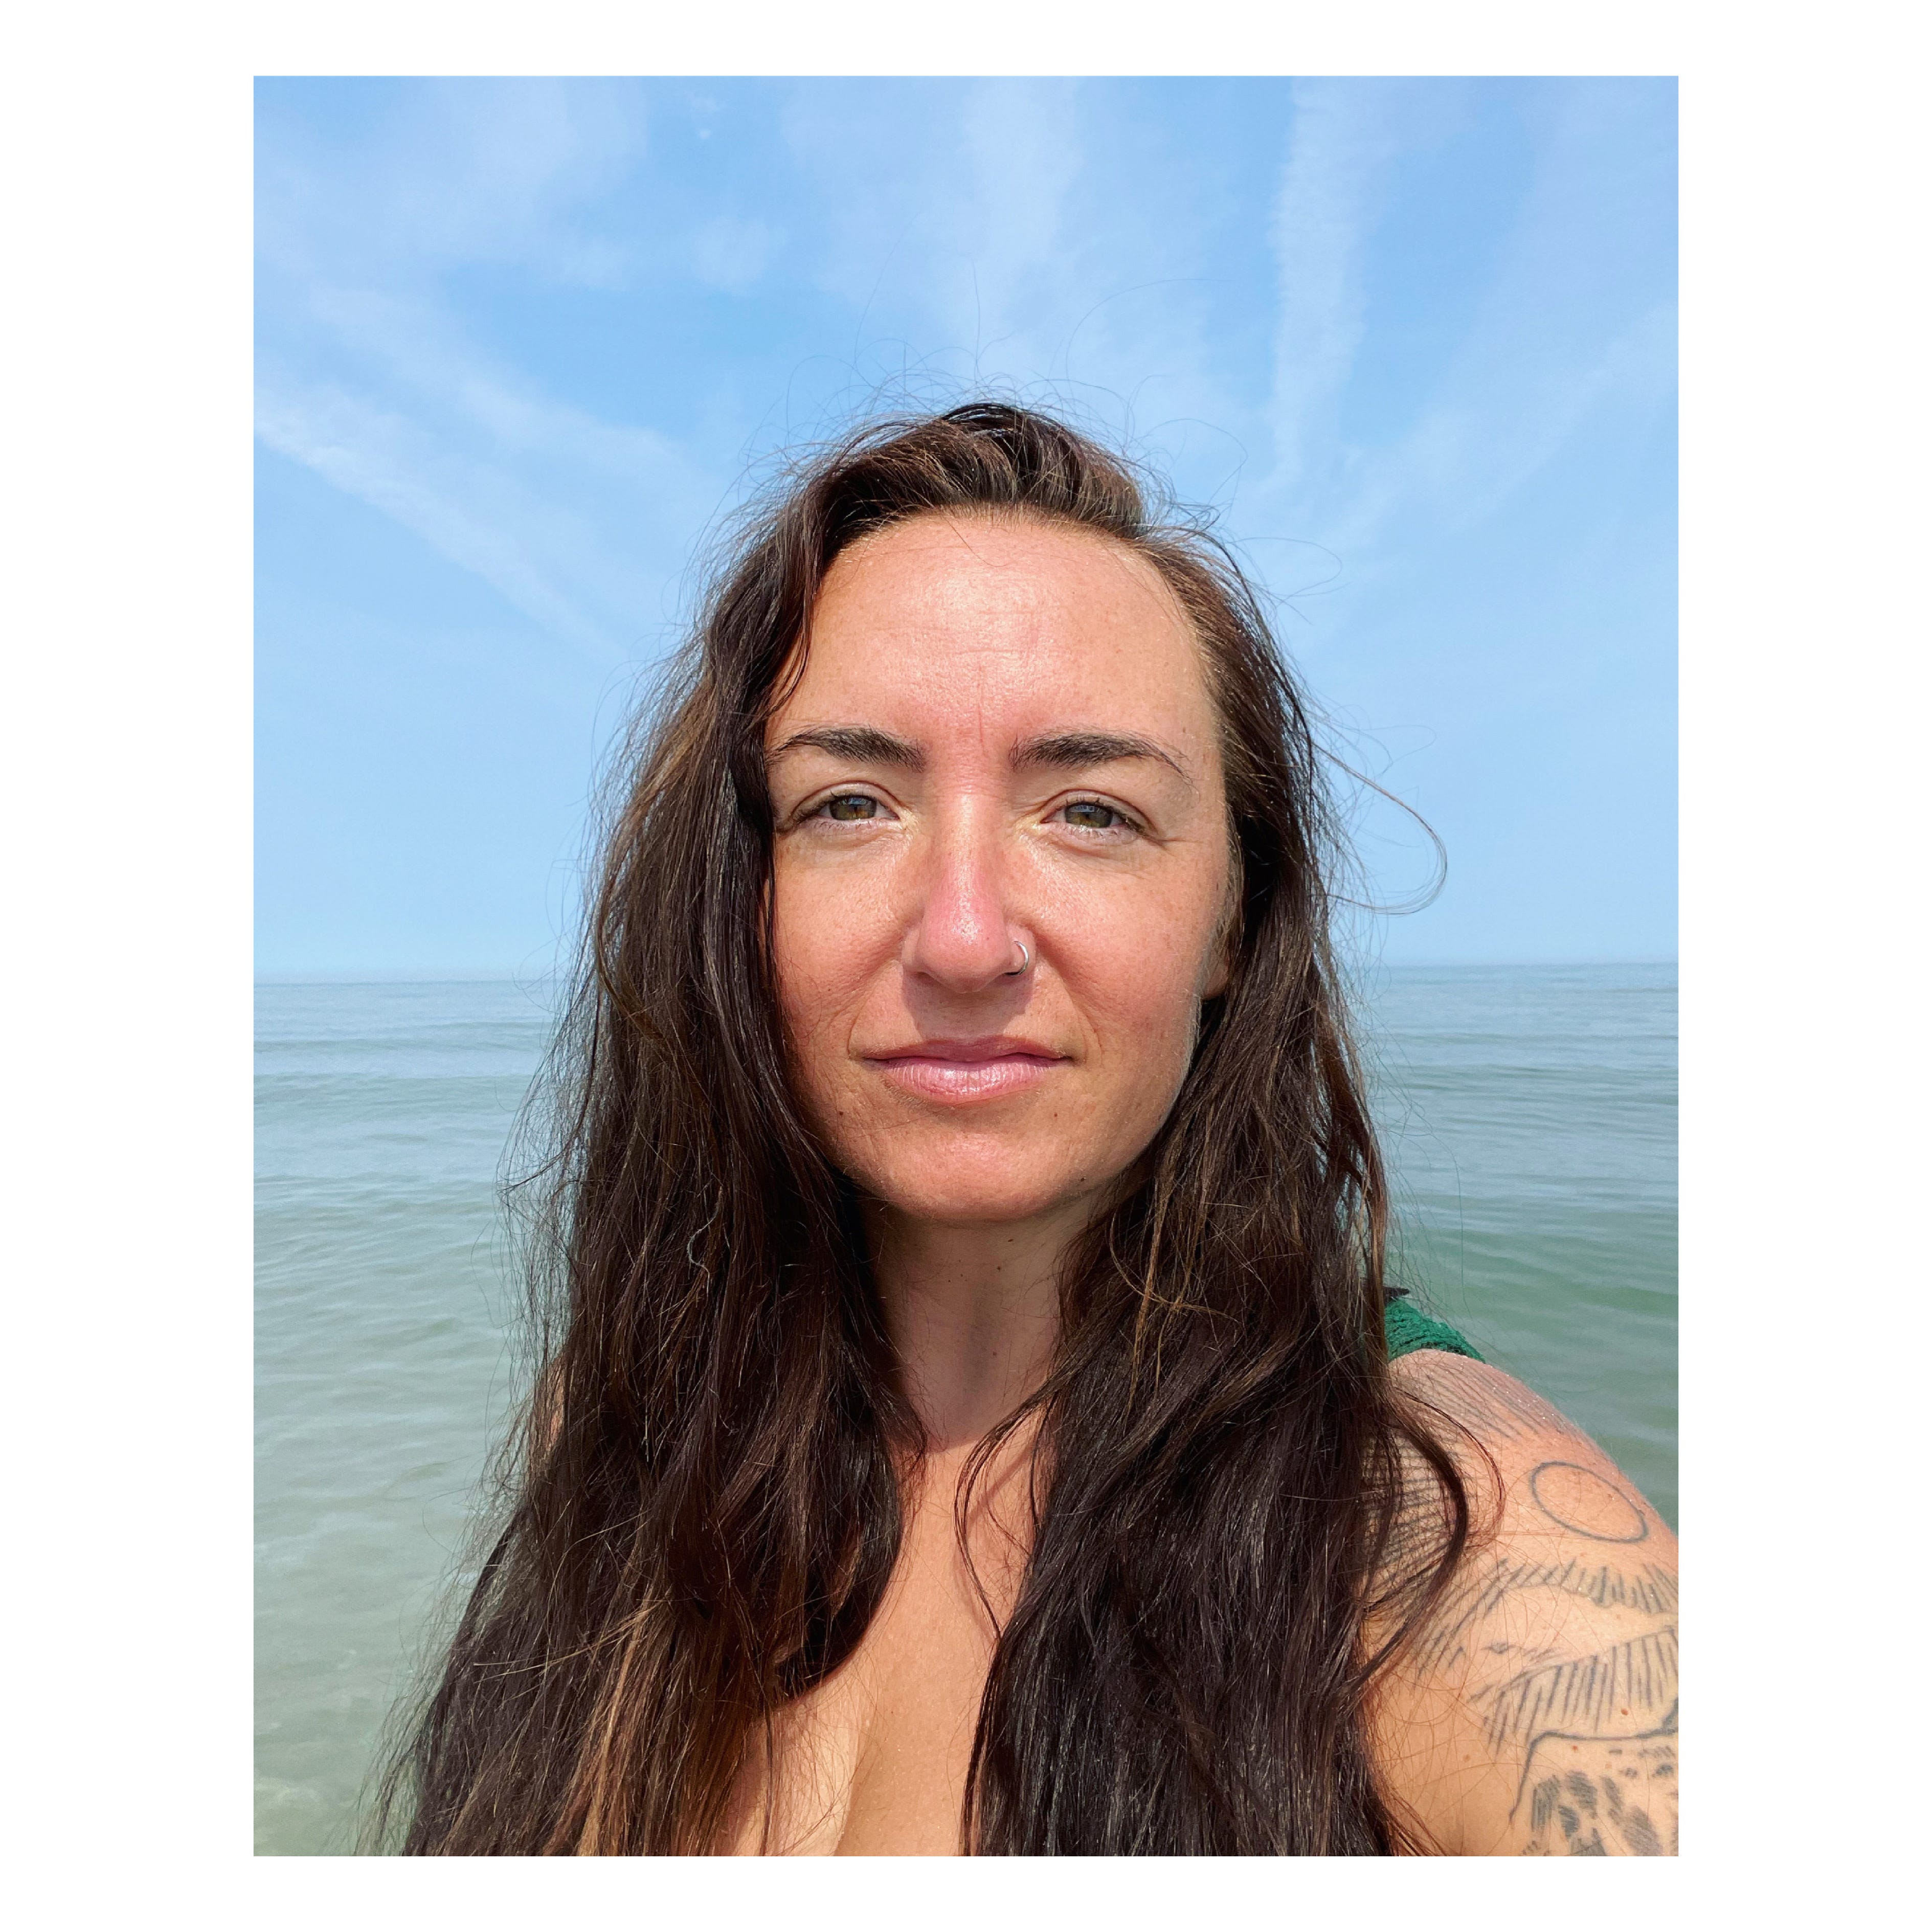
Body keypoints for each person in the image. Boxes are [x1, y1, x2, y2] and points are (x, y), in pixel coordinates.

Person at [377, 402, 1677, 1856]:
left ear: (1231, 921)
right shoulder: (639, 1427)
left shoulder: (1448, 1544)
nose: (962, 938)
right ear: (739, 903)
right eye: (849, 804)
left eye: (1093, 814)